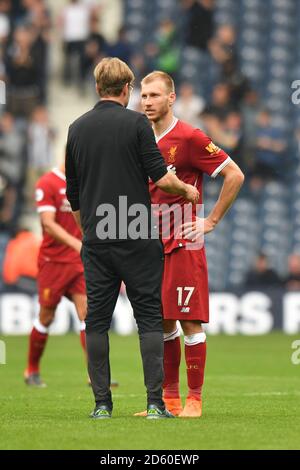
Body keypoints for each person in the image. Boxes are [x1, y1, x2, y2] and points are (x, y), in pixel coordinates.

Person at [65, 57, 199, 419]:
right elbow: (161, 177)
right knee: (150, 319)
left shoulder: (76, 129)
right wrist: (187, 190)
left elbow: (73, 195)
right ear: (127, 89)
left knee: (96, 322)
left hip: (98, 238)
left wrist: (88, 230)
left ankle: (102, 405)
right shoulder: (138, 125)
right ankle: (155, 403)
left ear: (97, 87)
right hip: (138, 234)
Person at [134, 71, 244, 418]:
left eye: (154, 95)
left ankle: (194, 398)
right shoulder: (140, 138)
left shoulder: (190, 137)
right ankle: (169, 401)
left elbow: (234, 174)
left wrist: (210, 221)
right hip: (151, 244)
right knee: (163, 322)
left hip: (183, 243)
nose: (147, 101)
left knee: (188, 322)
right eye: (143, 95)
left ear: (171, 98)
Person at [24, 164, 87, 387]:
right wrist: (77, 244)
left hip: (78, 262)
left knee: (87, 314)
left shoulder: (85, 181)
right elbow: (48, 224)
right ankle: (31, 370)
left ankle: (95, 375)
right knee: (46, 316)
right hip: (54, 262)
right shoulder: (48, 183)